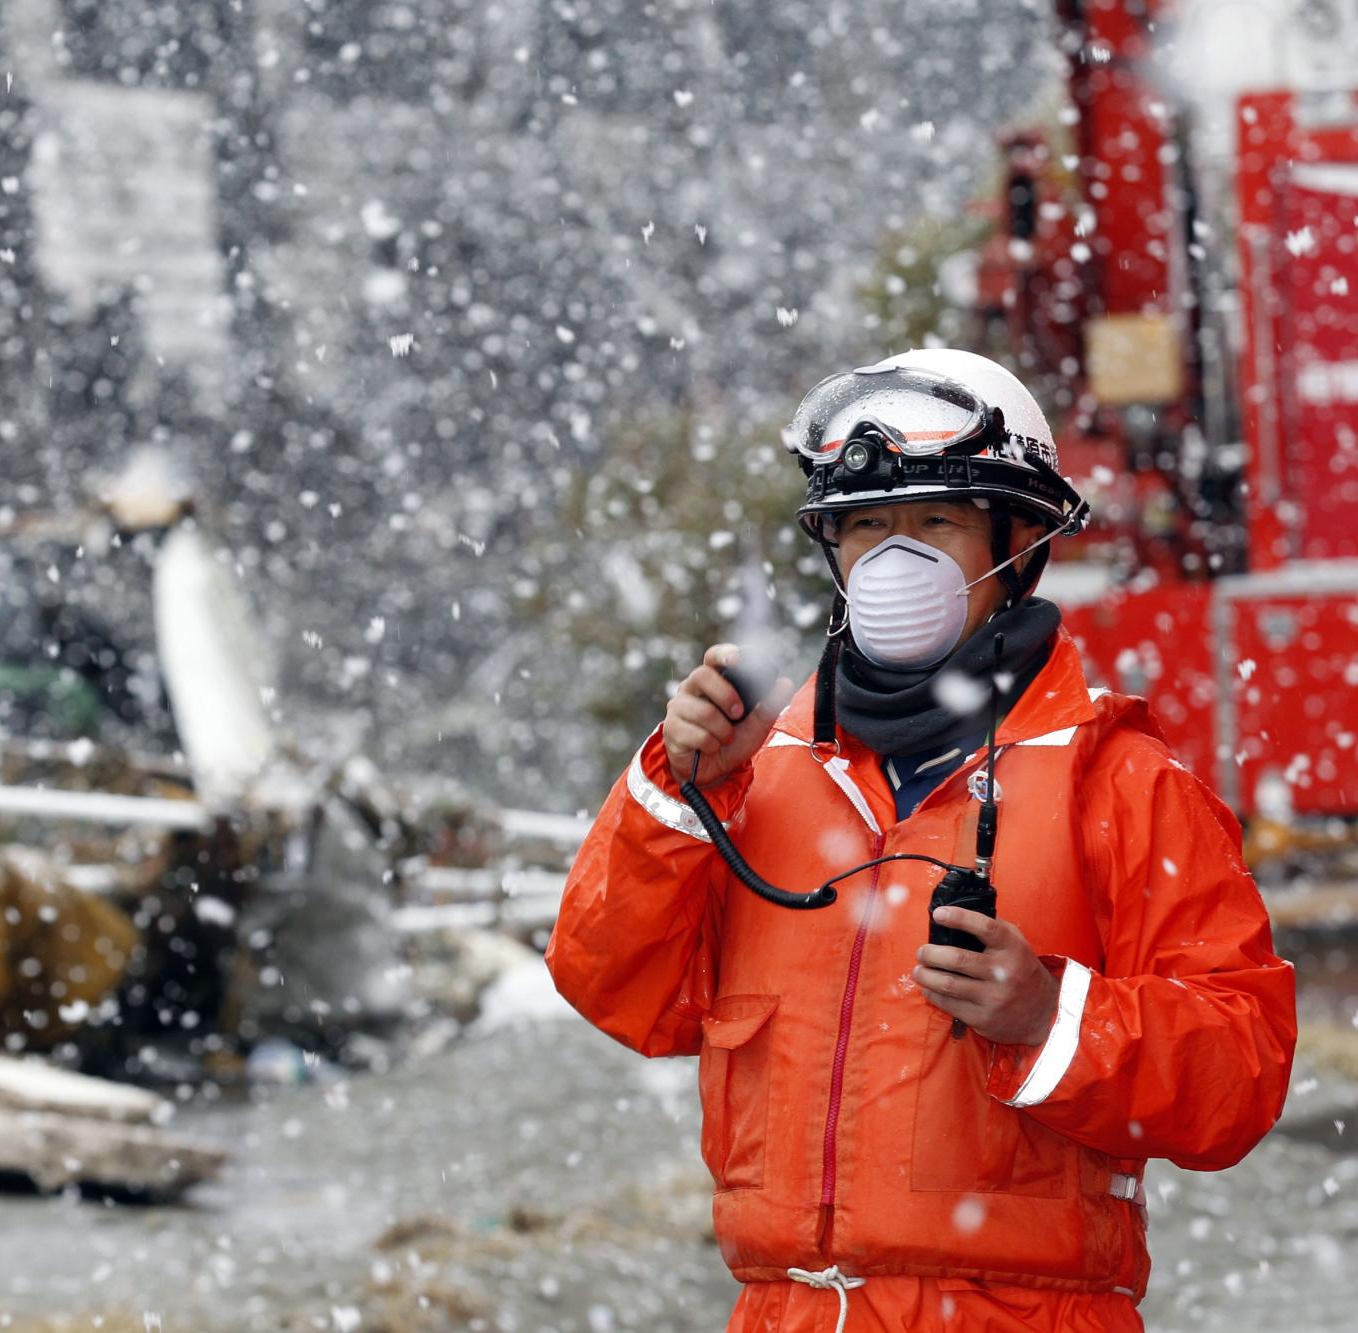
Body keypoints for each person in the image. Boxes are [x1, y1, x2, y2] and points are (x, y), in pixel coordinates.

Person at [546, 349, 1295, 1332]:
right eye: (865, 526)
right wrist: (680, 790)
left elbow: (1237, 1073)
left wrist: (1050, 1016)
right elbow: (613, 986)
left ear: (1017, 539)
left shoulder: (1121, 785)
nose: (893, 558)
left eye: (933, 521)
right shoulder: (755, 767)